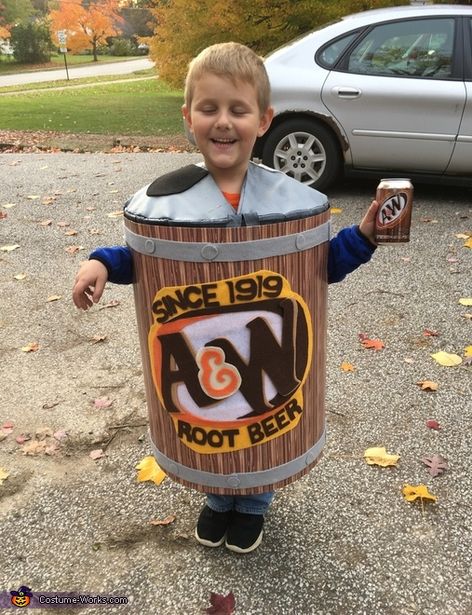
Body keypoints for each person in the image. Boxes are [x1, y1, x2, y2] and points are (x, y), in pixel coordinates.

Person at [73, 42, 378, 555]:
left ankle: (254, 504)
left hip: (264, 363)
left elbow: (321, 265)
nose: (223, 121)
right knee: (211, 421)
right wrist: (101, 261)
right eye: (209, 108)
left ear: (263, 120)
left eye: (238, 110)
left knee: (257, 424)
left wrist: (364, 237)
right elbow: (141, 259)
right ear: (188, 116)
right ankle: (218, 498)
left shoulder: (289, 201)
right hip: (202, 362)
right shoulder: (168, 203)